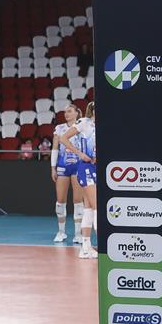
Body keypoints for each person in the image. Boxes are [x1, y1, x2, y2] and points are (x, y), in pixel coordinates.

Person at [58, 102, 97, 258]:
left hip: (98, 167)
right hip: (86, 168)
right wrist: (80, 154)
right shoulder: (84, 122)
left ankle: (85, 247)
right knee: (97, 207)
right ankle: (101, 246)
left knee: (89, 208)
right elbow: (63, 138)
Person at [51, 104, 85, 243]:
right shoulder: (59, 128)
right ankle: (61, 232)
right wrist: (53, 168)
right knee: (60, 201)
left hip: (78, 166)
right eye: (65, 112)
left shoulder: (82, 126)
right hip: (63, 166)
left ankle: (78, 234)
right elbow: (55, 148)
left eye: (69, 111)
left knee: (78, 201)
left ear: (77, 113)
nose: (66, 114)